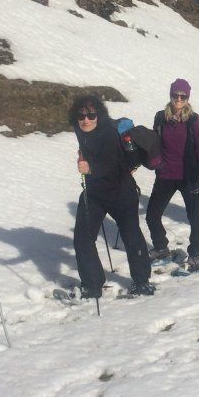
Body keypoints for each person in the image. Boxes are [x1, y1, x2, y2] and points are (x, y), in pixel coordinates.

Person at [70, 95, 154, 298]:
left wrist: (90, 168)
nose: (86, 120)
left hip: (121, 192)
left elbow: (113, 165)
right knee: (82, 238)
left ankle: (142, 282)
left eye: (91, 115)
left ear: (99, 115)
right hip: (94, 194)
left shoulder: (108, 133)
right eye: (81, 116)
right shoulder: (79, 129)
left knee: (131, 235)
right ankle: (92, 285)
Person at [144, 79, 199, 272]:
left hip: (188, 174)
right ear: (171, 95)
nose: (179, 99)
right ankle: (161, 246)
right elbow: (153, 144)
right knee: (152, 214)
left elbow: (198, 143)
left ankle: (195, 254)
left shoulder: (193, 119)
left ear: (188, 98)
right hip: (165, 173)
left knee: (194, 215)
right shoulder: (160, 117)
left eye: (183, 96)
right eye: (175, 95)